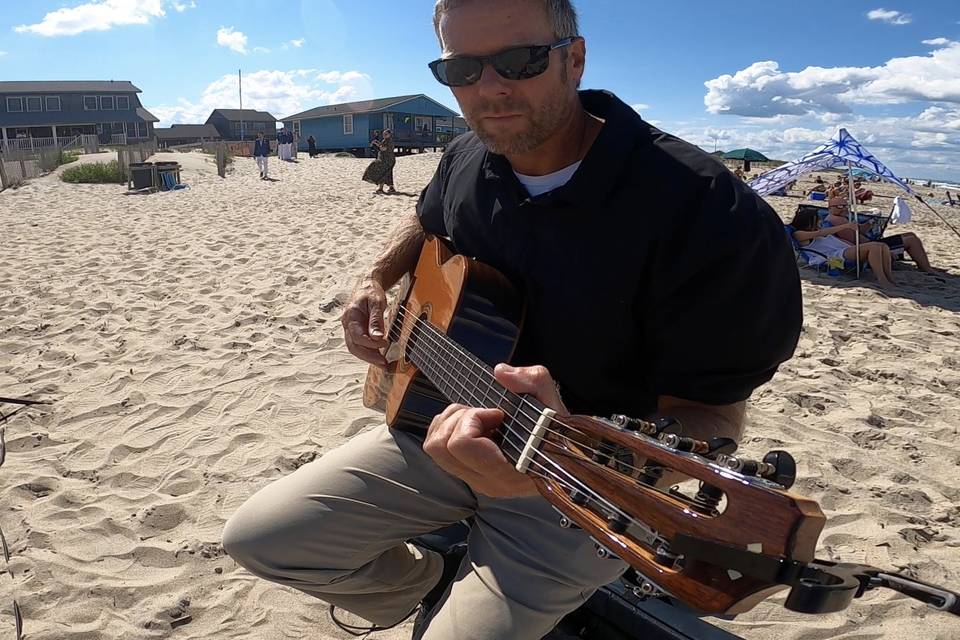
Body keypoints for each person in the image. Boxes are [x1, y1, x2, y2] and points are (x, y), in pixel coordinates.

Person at [222, 2, 803, 638]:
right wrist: (375, 279)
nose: (489, 88)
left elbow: (713, 417)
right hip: (434, 428)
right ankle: (425, 586)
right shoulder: (469, 155)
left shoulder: (712, 215)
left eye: (519, 61)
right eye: (461, 69)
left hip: (573, 492)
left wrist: (557, 469)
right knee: (259, 539)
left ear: (574, 59)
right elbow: (427, 221)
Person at [790, 208, 894, 287]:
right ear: (810, 221)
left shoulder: (817, 230)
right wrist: (846, 226)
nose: (820, 221)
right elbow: (821, 233)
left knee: (883, 246)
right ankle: (882, 279)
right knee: (874, 247)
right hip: (830, 257)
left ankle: (888, 278)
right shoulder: (799, 234)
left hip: (840, 252)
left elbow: (829, 237)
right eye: (818, 219)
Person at [825, 201, 934, 272]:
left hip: (871, 243)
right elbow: (855, 241)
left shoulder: (843, 218)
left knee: (910, 234)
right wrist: (885, 251)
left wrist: (871, 222)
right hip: (870, 246)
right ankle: (927, 269)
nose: (844, 208)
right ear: (830, 208)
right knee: (911, 240)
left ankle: (925, 266)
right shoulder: (838, 221)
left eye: (846, 206)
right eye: (840, 206)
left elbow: (860, 231)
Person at [362, 128, 397, 194]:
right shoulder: (385, 140)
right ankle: (391, 187)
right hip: (388, 159)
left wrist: (377, 144)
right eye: (383, 134)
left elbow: (384, 148)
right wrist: (376, 143)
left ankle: (381, 188)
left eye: (386, 134)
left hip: (387, 160)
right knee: (387, 173)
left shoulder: (389, 141)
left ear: (389, 135)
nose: (384, 135)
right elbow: (382, 146)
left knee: (381, 171)